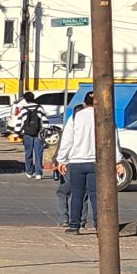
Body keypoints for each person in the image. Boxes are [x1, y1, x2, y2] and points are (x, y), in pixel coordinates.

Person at [52, 91, 99, 235]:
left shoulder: (75, 117)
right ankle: (100, 225)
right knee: (95, 195)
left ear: (84, 104)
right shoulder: (104, 117)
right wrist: (118, 160)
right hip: (96, 162)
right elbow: (113, 139)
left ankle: (74, 226)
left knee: (77, 195)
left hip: (77, 162)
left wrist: (62, 159)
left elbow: (67, 140)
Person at [18, 101, 46, 179]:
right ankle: (38, 173)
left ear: (26, 100)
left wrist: (18, 132)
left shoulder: (23, 109)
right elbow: (45, 121)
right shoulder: (39, 108)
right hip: (38, 134)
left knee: (28, 153)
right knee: (38, 154)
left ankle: (29, 172)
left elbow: (19, 122)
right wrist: (44, 132)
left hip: (27, 134)